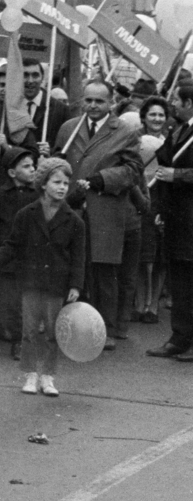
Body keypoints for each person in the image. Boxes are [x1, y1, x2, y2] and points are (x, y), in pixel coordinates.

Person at [56, 80, 140, 351]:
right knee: (68, 267)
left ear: (111, 103)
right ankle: (67, 326)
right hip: (70, 206)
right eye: (88, 100)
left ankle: (107, 329)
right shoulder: (69, 128)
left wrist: (102, 179)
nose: (92, 106)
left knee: (103, 272)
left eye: (99, 101)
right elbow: (59, 162)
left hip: (104, 209)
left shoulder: (124, 131)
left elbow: (133, 171)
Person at [0, 158, 85, 397]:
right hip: (31, 281)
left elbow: (78, 256)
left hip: (57, 284)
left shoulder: (74, 220)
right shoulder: (27, 214)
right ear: (43, 184)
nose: (62, 187)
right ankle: (30, 374)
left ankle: (48, 376)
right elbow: (13, 244)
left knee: (52, 331)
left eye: (66, 183)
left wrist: (76, 285)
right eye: (56, 182)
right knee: (29, 329)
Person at [146, 84, 193, 360]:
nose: (171, 104)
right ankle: (180, 337)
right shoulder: (179, 130)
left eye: (176, 99)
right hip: (178, 218)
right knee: (180, 281)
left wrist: (178, 175)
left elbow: (173, 171)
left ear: (188, 102)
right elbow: (163, 159)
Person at [0, 144, 40, 350]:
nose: (33, 169)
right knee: (7, 298)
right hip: (7, 254)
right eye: (27, 166)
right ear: (12, 172)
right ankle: (3, 328)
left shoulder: (36, 194)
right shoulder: (2, 194)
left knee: (23, 301)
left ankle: (19, 342)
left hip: (29, 255)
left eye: (33, 165)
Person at [134, 97, 169, 324]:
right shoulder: (135, 142)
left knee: (159, 258)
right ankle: (139, 302)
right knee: (140, 256)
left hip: (163, 201)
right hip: (140, 200)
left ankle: (153, 305)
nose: (157, 119)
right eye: (152, 114)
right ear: (144, 117)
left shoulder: (173, 142)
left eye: (161, 115)